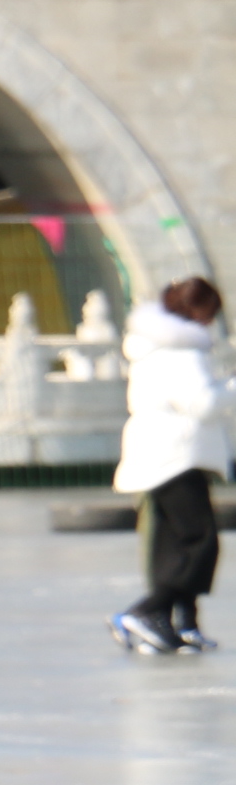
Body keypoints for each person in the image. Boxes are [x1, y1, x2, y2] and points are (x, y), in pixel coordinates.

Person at [112, 277, 230, 656]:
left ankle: (176, 624)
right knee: (201, 541)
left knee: (174, 544)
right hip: (176, 456)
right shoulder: (182, 353)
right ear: (197, 312)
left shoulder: (154, 348)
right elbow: (202, 403)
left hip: (157, 453)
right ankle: (146, 612)